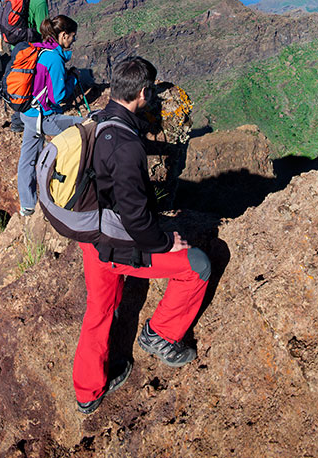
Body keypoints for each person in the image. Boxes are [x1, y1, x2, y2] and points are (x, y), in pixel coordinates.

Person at [72, 56, 210, 415]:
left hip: (92, 240)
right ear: (144, 92)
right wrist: (165, 243)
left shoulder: (96, 122)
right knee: (198, 266)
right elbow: (135, 217)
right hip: (121, 247)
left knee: (98, 312)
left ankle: (87, 393)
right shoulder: (128, 145)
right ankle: (161, 334)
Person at [16, 15, 84, 216]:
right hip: (44, 118)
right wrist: (72, 79)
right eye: (72, 36)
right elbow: (58, 96)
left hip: (28, 113)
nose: (73, 40)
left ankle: (27, 205)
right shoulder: (53, 59)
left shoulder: (39, 48)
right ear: (63, 36)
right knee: (86, 125)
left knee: (27, 158)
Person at [8, 0, 55, 132]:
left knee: (20, 78)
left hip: (17, 45)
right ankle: (20, 120)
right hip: (30, 47)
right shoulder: (40, 1)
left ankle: (16, 119)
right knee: (30, 80)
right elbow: (44, 28)